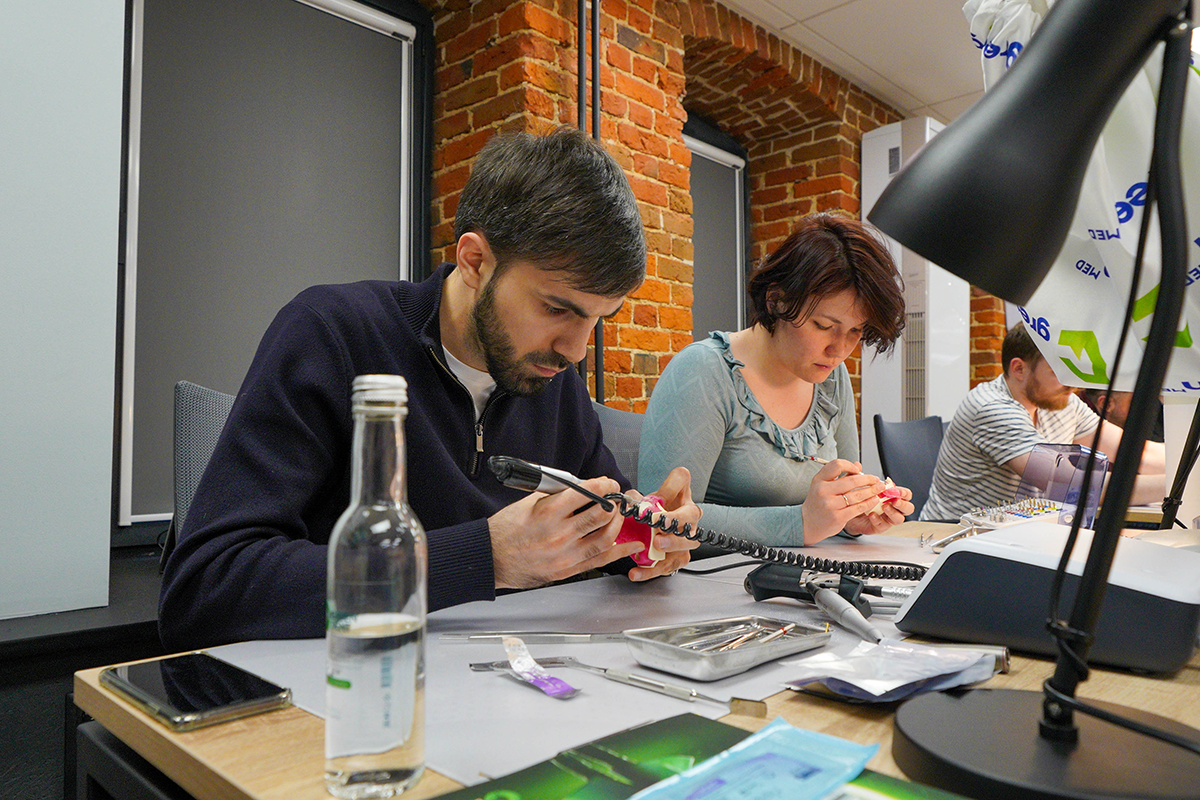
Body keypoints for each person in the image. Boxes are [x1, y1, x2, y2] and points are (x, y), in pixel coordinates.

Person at [159, 128, 700, 650]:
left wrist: (647, 537)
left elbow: (600, 527)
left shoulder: (553, 384)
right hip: (353, 686)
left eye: (598, 319)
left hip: (511, 684)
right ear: (475, 261)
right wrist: (486, 557)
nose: (576, 350)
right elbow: (205, 589)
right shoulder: (332, 334)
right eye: (557, 309)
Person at [637, 214, 913, 547]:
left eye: (856, 331)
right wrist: (798, 524)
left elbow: (835, 499)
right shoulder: (703, 372)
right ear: (777, 301)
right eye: (824, 326)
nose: (839, 350)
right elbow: (659, 522)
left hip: (803, 574)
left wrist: (851, 517)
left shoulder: (831, 379)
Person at [921, 323, 1166, 521]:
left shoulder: (1060, 400)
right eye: (1059, 371)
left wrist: (1184, 465)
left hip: (1016, 531)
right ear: (1019, 369)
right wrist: (1173, 486)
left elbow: (1137, 452)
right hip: (953, 537)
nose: (1072, 383)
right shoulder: (992, 408)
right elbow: (1075, 486)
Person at [1081, 388, 1164, 443]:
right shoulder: (1080, 429)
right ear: (1106, 404)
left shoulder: (1152, 417)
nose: (1146, 408)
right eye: (1136, 401)